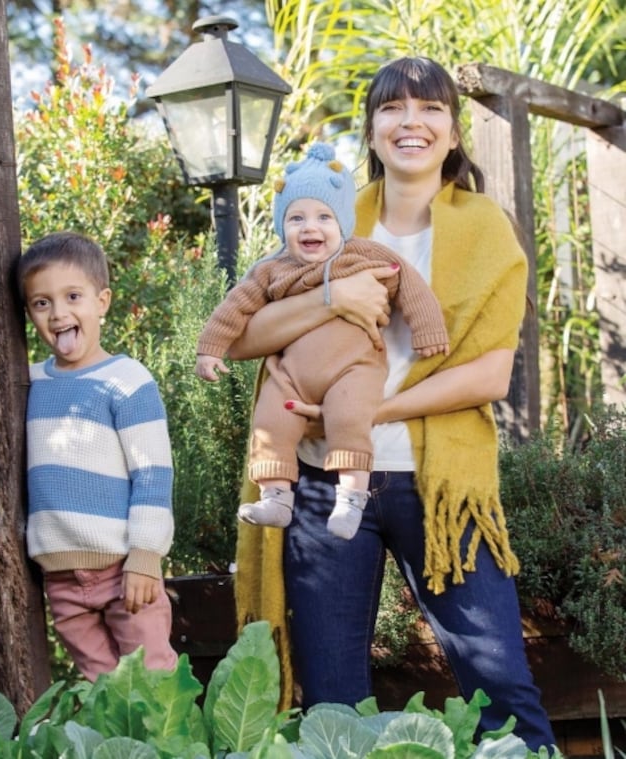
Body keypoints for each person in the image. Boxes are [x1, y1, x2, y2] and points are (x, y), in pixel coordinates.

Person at [233, 57, 557, 752]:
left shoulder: (483, 229)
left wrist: (367, 412)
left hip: (437, 488)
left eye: (429, 107)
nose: (411, 122)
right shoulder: (331, 214)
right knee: (330, 698)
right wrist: (327, 297)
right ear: (372, 132)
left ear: (451, 128)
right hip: (321, 487)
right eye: (392, 109)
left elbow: (490, 375)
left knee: (499, 682)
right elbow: (248, 330)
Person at [0, 232, 177, 680]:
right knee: (102, 690)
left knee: (153, 681)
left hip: (124, 567)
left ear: (102, 301)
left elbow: (153, 475)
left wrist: (146, 556)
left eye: (73, 296)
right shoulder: (25, 382)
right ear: (28, 313)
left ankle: (178, 752)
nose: (59, 313)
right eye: (42, 303)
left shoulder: (128, 381)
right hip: (61, 580)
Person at [196, 142, 448, 540]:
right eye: (296, 218)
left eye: (323, 217)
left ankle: (350, 499)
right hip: (291, 377)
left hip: (353, 369)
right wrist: (209, 348)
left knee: (349, 416)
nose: (310, 227)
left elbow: (410, 285)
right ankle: (276, 497)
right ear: (282, 227)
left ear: (343, 222)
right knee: (269, 421)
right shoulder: (270, 270)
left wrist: (428, 329)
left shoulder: (362, 255)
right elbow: (233, 310)